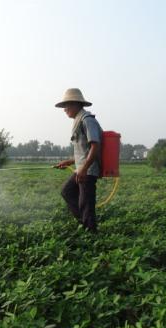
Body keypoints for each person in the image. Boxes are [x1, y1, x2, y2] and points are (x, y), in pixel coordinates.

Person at [55, 88, 102, 232]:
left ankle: (91, 233)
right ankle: (85, 224)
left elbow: (95, 146)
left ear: (76, 104)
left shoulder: (88, 120)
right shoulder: (78, 120)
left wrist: (84, 168)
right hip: (82, 169)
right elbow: (83, 151)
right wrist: (69, 161)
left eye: (66, 106)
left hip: (88, 170)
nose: (64, 110)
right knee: (67, 192)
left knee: (86, 204)